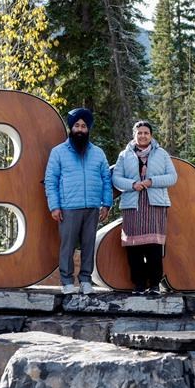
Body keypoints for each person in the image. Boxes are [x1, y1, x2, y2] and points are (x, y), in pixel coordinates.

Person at [44, 107, 112, 294]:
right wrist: (54, 206)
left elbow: (106, 178)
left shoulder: (98, 153)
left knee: (89, 245)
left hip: (92, 206)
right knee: (67, 246)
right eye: (77, 125)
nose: (80, 129)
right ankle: (66, 282)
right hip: (68, 207)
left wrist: (106, 204)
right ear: (71, 128)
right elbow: (51, 180)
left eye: (83, 126)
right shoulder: (58, 152)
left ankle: (85, 280)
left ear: (88, 129)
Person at [112, 120, 178, 295]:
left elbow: (172, 177)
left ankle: (154, 284)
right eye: (139, 133)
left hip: (154, 205)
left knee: (153, 246)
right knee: (133, 247)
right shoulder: (124, 155)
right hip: (132, 205)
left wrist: (152, 181)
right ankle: (139, 284)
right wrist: (132, 184)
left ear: (151, 135)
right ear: (134, 135)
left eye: (146, 133)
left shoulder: (162, 154)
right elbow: (116, 179)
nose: (142, 136)